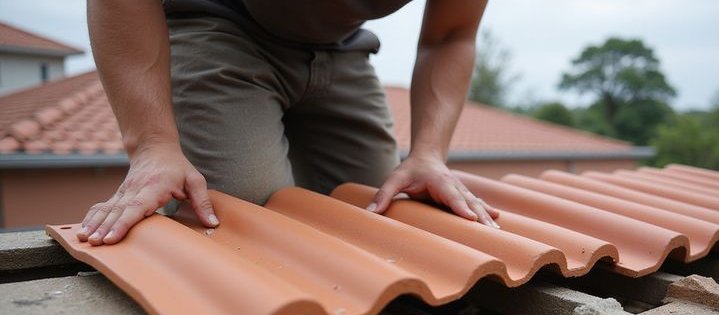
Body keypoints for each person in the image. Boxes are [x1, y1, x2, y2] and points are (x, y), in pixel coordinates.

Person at [78, 0, 500, 246]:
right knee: (235, 222)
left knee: (375, 218)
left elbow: (451, 35)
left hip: (341, 48)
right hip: (220, 21)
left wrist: (429, 153)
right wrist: (153, 145)